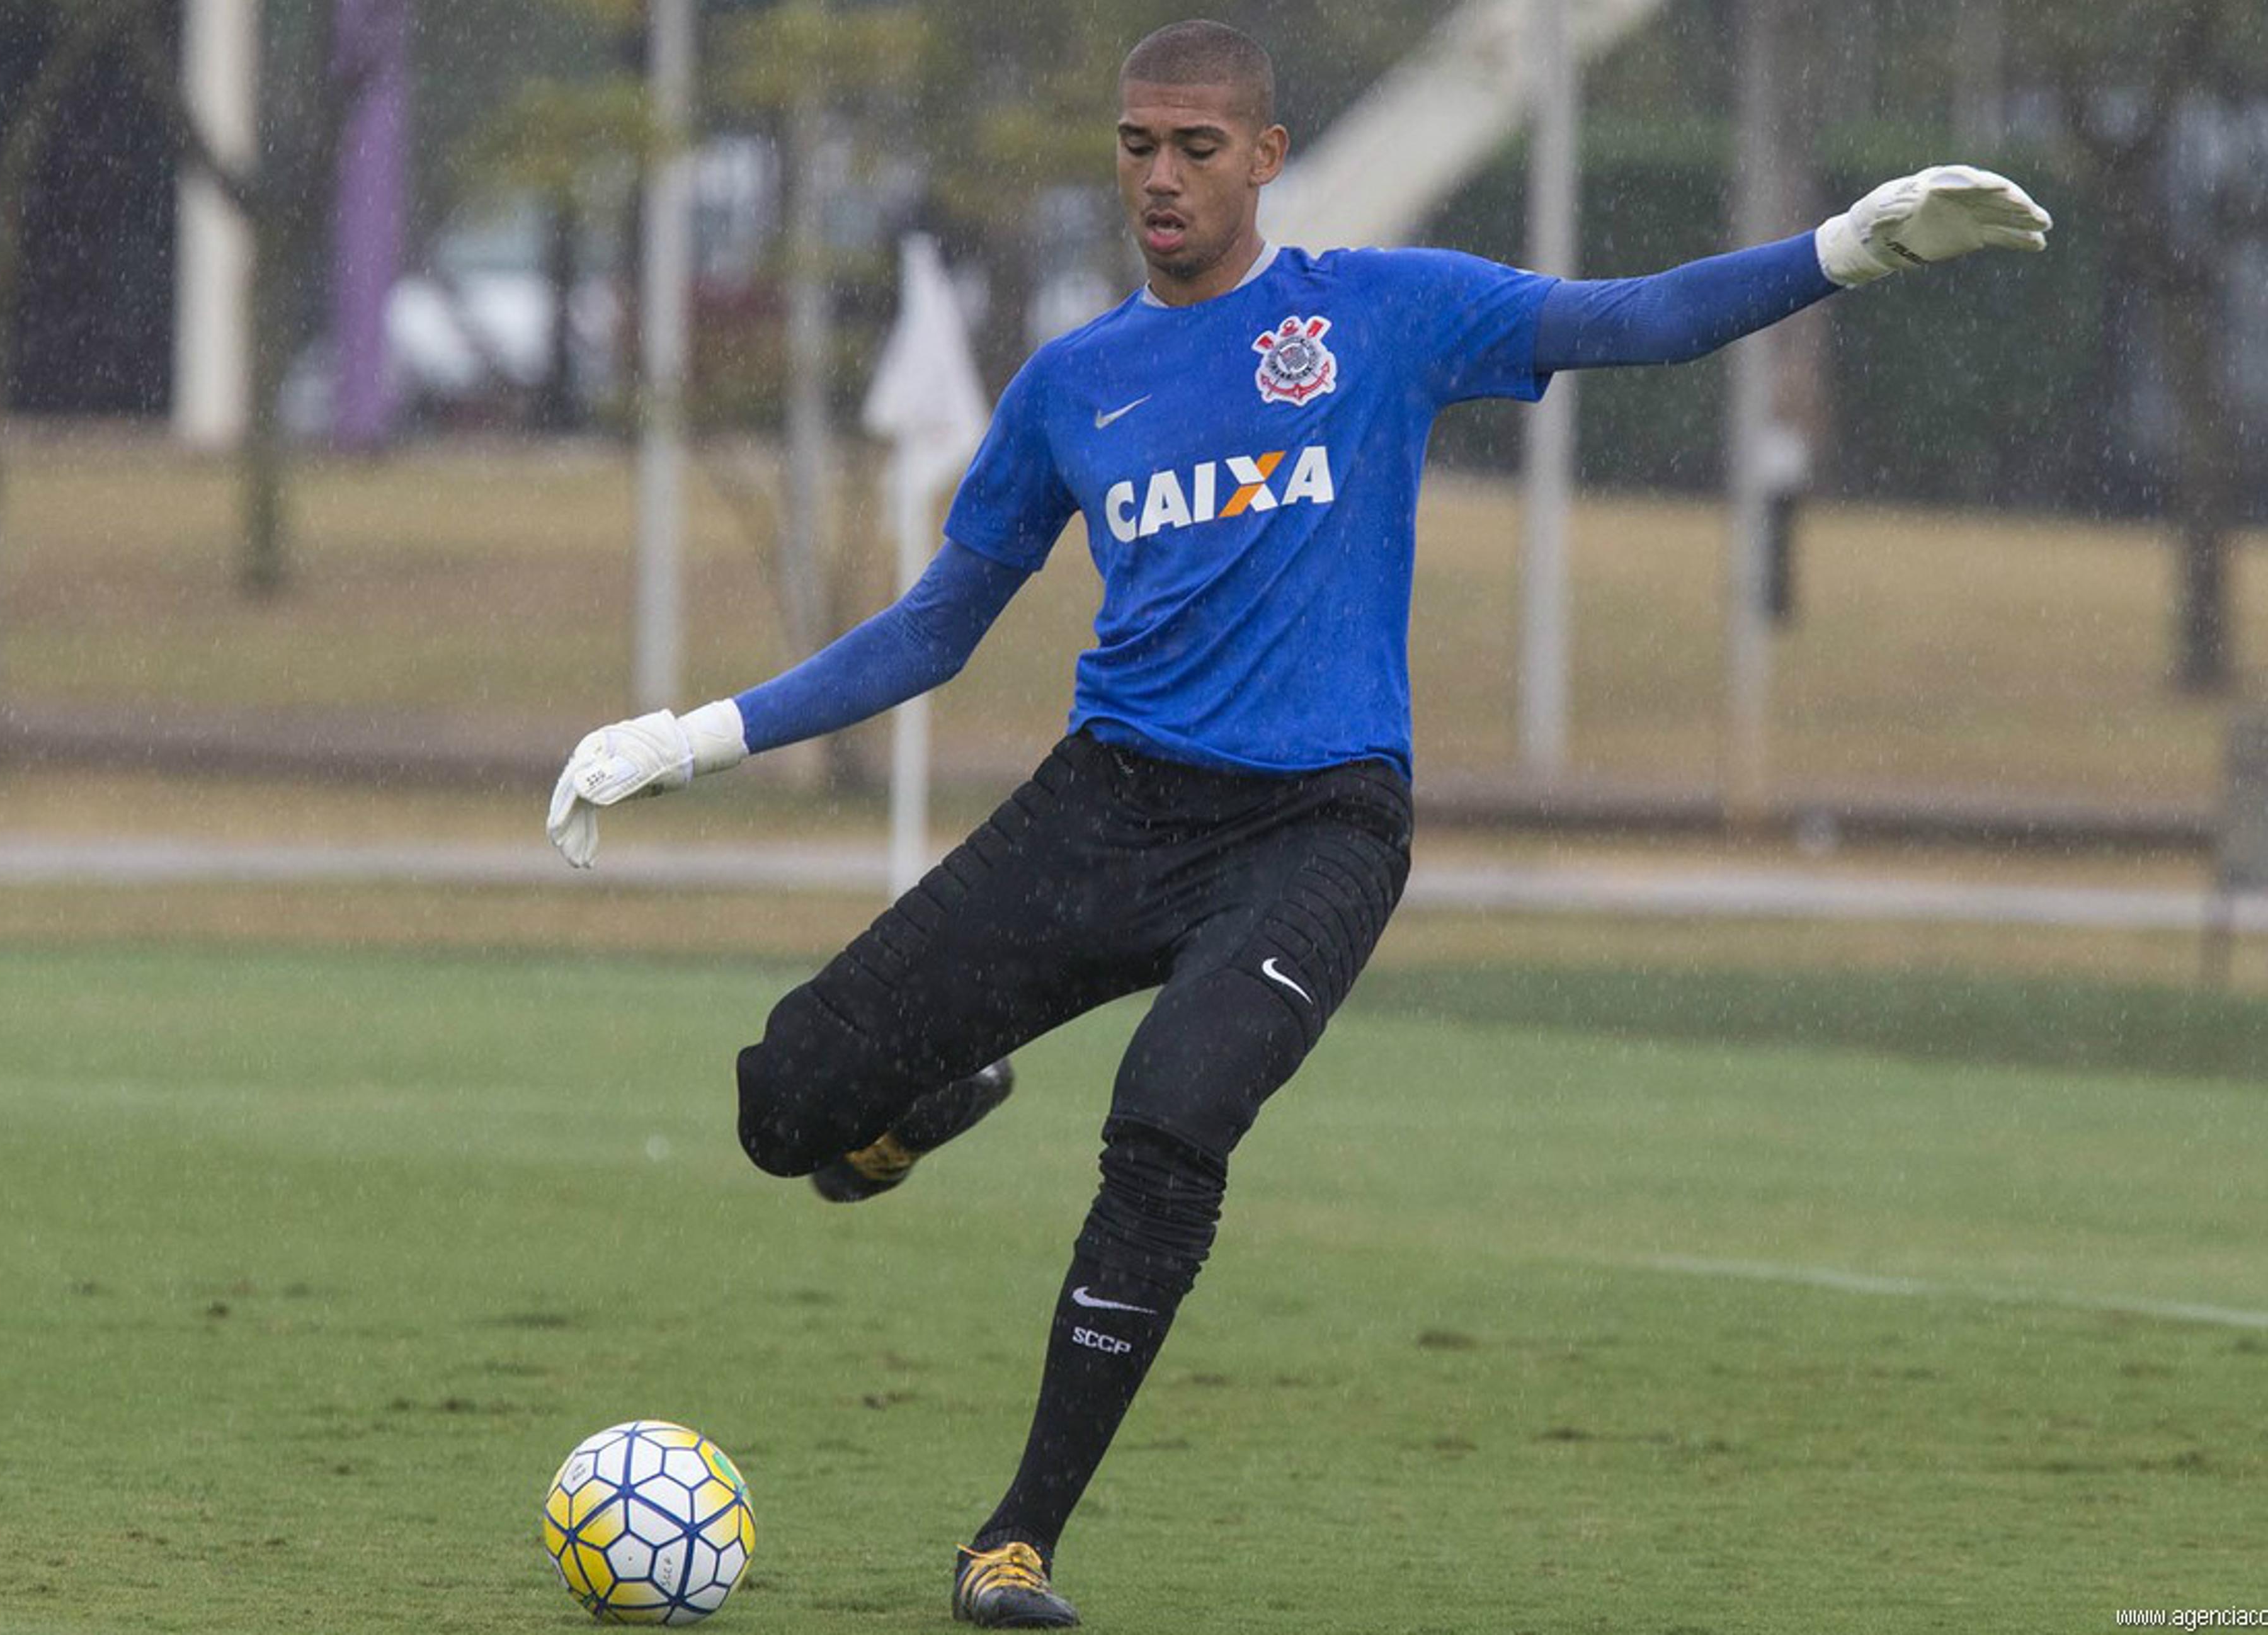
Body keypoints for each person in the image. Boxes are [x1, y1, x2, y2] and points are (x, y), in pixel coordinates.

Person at [547, 19, 2049, 1627]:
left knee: (1168, 1119)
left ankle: (1014, 1542)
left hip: (1317, 831)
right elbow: (932, 630)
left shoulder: (1382, 316)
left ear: (1267, 159)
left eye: (1199, 148)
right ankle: (906, 1115)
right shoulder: (1074, 385)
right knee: (782, 1103)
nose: (1163, 177)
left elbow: (1645, 320)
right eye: (1138, 147)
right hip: (1110, 802)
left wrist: (1854, 244)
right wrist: (690, 733)